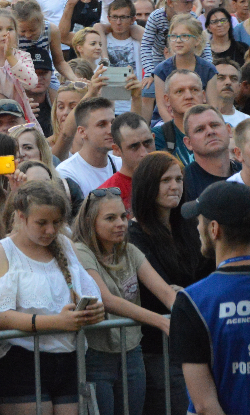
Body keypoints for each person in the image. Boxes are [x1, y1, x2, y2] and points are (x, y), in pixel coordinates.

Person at [0, 181, 105, 411]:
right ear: (21, 217)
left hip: (68, 358)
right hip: (22, 361)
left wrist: (93, 311)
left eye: (56, 223)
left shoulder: (65, 245)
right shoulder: (2, 250)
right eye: (41, 223)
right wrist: (56, 322)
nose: (50, 230)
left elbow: (88, 293)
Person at [71, 187, 177, 415]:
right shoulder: (80, 251)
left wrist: (186, 314)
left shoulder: (130, 250)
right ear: (91, 222)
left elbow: (165, 292)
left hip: (132, 351)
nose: (120, 223)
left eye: (123, 216)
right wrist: (161, 321)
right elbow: (106, 299)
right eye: (110, 218)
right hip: (97, 355)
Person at [128, 151, 211, 415]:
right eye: (166, 180)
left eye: (178, 179)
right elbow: (161, 288)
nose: (175, 186)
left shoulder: (188, 225)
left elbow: (206, 274)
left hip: (194, 343)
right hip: (157, 350)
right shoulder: (134, 234)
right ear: (148, 185)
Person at [170, 181, 250, 415]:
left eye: (199, 221)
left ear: (214, 229)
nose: (197, 228)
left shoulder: (193, 301)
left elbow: (205, 406)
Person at [56, 97, 123, 194]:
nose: (110, 130)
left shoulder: (121, 165)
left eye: (113, 123)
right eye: (101, 125)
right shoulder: (67, 173)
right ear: (82, 132)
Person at [181, 105, 239, 201]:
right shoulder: (182, 182)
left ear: (229, 130)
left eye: (215, 125)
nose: (210, 132)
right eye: (200, 129)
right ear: (188, 143)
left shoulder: (245, 173)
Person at [97, 112, 155, 209]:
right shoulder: (105, 197)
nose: (144, 153)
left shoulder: (172, 181)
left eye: (147, 143)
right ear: (117, 150)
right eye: (134, 146)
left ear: (154, 138)